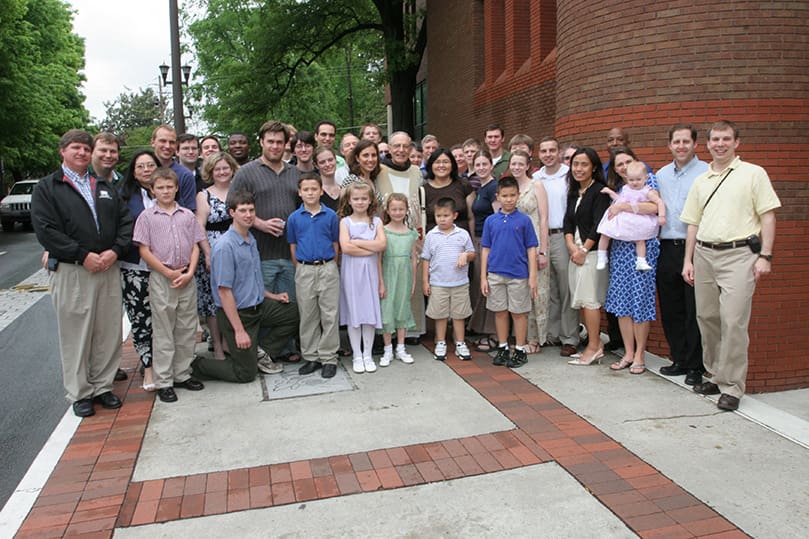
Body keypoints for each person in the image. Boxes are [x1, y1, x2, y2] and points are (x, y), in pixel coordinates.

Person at [32, 129, 133, 417]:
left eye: (86, 149)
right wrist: (82, 254)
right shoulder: (48, 187)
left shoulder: (101, 185)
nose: (82, 153)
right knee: (77, 333)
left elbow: (125, 222)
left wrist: (115, 251)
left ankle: (103, 386)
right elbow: (46, 230)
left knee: (108, 330)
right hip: (74, 270)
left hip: (108, 266)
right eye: (75, 148)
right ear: (62, 151)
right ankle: (81, 392)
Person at [681, 120, 780, 411]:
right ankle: (716, 373)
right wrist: (688, 260)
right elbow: (692, 223)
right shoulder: (700, 180)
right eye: (715, 140)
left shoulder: (753, 174)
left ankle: (733, 387)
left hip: (739, 255)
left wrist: (766, 256)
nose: (720, 144)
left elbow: (768, 217)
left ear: (737, 142)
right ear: (708, 144)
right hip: (704, 254)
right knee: (707, 317)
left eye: (726, 139)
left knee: (733, 321)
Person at [191, 190, 299, 382]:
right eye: (243, 210)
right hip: (238, 314)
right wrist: (239, 331)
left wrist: (273, 297)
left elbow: (250, 281)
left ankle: (259, 352)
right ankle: (197, 365)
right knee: (245, 374)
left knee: (295, 313)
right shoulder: (225, 247)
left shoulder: (250, 239)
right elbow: (224, 292)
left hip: (259, 306)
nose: (248, 215)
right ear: (232, 213)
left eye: (251, 210)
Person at [134, 167, 207, 403]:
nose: (165, 191)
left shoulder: (187, 215)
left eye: (169, 187)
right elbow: (144, 250)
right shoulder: (146, 217)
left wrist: (190, 272)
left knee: (186, 328)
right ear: (152, 190)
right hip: (162, 277)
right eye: (160, 187)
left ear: (176, 188)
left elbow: (196, 245)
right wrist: (167, 272)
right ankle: (164, 380)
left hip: (186, 276)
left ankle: (182, 373)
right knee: (164, 329)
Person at [656, 124, 709, 386]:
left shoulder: (706, 172)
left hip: (695, 249)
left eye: (686, 141)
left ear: (695, 144)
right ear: (670, 145)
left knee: (694, 309)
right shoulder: (662, 174)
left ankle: (696, 365)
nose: (681, 146)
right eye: (676, 141)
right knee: (671, 307)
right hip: (666, 248)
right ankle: (678, 358)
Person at [603, 149, 661, 375]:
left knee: (640, 300)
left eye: (628, 162)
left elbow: (655, 207)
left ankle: (640, 354)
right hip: (620, 249)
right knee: (622, 302)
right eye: (619, 164)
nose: (624, 167)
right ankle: (628, 352)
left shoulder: (647, 179)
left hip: (642, 251)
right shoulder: (619, 187)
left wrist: (625, 206)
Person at [230, 121, 301, 305]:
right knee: (263, 309)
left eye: (279, 142)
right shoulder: (246, 173)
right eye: (270, 141)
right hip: (260, 255)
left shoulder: (296, 173)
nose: (275, 146)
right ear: (261, 142)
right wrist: (259, 223)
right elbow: (230, 206)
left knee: (290, 310)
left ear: (286, 144)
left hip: (289, 255)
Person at [287, 172, 341, 379]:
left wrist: (331, 265)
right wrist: (301, 267)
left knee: (329, 313)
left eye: (314, 189)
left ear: (321, 191)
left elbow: (335, 243)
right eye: (306, 189)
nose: (310, 193)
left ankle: (328, 357)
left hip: (327, 267)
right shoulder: (294, 218)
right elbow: (293, 245)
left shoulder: (330, 216)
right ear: (300, 193)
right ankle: (311, 357)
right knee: (308, 314)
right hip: (305, 269)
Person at [481, 176, 538, 369]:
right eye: (504, 196)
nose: (508, 199)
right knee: (500, 312)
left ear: (518, 196)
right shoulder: (491, 221)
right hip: (496, 273)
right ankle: (503, 346)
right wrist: (483, 276)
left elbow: (531, 248)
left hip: (518, 274)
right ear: (498, 196)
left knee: (519, 312)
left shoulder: (524, 221)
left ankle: (520, 349)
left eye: (512, 195)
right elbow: (485, 249)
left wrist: (532, 276)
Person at [376, 131, 427, 339]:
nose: (401, 150)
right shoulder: (379, 171)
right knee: (389, 283)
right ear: (389, 148)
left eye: (405, 146)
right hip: (387, 233)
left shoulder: (416, 172)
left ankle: (411, 332)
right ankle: (387, 332)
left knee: (410, 279)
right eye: (396, 146)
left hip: (411, 232)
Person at [563, 148, 611, 367]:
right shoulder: (574, 192)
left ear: (593, 167)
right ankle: (596, 344)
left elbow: (599, 225)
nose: (578, 169)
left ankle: (593, 347)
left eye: (584, 164)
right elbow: (568, 223)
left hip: (590, 255)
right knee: (581, 300)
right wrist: (572, 247)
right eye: (575, 164)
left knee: (590, 301)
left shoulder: (599, 192)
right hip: (576, 254)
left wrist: (584, 251)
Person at [119, 150, 160, 391]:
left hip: (166, 268)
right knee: (141, 319)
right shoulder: (124, 197)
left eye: (150, 165)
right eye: (141, 166)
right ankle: (148, 367)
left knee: (164, 318)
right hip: (135, 267)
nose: (146, 169)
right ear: (133, 172)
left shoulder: (167, 191)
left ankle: (168, 363)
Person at [534, 137, 578, 357]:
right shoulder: (536, 177)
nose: (548, 154)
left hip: (561, 235)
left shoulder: (569, 175)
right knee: (548, 286)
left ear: (559, 152)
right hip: (541, 238)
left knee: (566, 287)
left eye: (552, 150)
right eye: (544, 150)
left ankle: (569, 336)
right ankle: (551, 333)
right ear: (539, 153)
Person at [338, 182, 386, 373]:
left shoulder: (376, 222)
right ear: (349, 200)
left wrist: (357, 242)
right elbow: (346, 248)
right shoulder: (345, 222)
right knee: (354, 313)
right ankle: (357, 355)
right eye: (356, 198)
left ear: (370, 200)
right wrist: (369, 246)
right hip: (351, 273)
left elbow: (382, 245)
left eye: (364, 198)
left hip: (371, 273)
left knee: (369, 313)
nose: (360, 202)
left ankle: (368, 354)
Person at [195, 152, 238, 362]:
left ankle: (231, 342)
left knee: (234, 296)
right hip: (213, 248)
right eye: (217, 169)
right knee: (214, 300)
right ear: (210, 172)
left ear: (232, 169)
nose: (222, 172)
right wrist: (208, 253)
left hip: (236, 247)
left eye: (225, 168)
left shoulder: (238, 192)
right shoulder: (204, 195)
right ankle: (218, 345)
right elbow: (200, 227)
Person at [422, 197, 476, 361]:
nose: (442, 219)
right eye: (438, 216)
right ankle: (441, 341)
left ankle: (460, 343)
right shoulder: (431, 235)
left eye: (445, 215)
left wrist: (466, 255)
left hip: (459, 283)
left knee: (459, 315)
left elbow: (473, 254)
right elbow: (426, 259)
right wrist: (426, 281)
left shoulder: (462, 234)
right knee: (441, 315)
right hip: (438, 283)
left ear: (454, 215)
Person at [511, 150, 550, 354]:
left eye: (520, 164)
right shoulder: (510, 187)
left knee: (537, 292)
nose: (516, 167)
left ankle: (536, 339)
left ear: (528, 166)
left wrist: (543, 251)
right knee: (520, 291)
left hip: (534, 245)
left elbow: (544, 219)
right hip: (515, 248)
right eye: (514, 163)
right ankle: (521, 337)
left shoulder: (537, 185)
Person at [596, 161, 666, 272]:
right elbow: (619, 199)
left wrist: (662, 216)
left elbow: (659, 202)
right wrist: (610, 192)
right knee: (605, 233)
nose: (634, 183)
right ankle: (601, 255)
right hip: (623, 218)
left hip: (638, 219)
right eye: (631, 180)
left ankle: (641, 261)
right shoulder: (626, 188)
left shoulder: (647, 191)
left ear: (645, 178)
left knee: (640, 239)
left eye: (638, 180)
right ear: (627, 179)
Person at [378, 193, 418, 366]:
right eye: (394, 209)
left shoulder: (410, 233)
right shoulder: (383, 231)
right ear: (387, 210)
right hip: (388, 273)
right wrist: (380, 281)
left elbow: (414, 258)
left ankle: (400, 347)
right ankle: (387, 349)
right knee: (387, 309)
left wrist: (414, 281)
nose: (397, 212)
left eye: (401, 209)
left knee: (403, 308)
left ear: (406, 210)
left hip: (405, 275)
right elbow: (378, 259)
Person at [467, 150, 499, 350]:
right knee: (482, 287)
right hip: (479, 241)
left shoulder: (493, 188)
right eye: (477, 165)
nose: (481, 168)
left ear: (491, 165)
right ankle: (485, 330)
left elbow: (498, 217)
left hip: (491, 243)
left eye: (484, 164)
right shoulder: (480, 188)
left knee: (491, 288)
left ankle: (495, 334)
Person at [423, 148, 474, 234]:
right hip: (434, 243)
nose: (441, 165)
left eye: (446, 162)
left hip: (461, 242)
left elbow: (471, 218)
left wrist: (471, 243)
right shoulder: (423, 190)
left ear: (452, 165)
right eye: (437, 162)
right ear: (431, 165)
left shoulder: (464, 185)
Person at [150, 125, 197, 210]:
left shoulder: (185, 175)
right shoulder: (144, 171)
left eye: (172, 142)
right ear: (153, 142)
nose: (167, 146)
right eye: (163, 141)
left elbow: (189, 212)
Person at [314, 146, 342, 211]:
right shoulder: (315, 192)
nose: (327, 164)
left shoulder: (344, 190)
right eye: (322, 162)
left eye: (330, 160)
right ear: (316, 165)